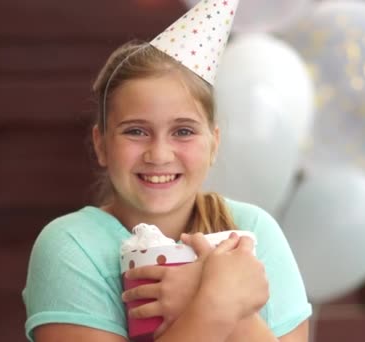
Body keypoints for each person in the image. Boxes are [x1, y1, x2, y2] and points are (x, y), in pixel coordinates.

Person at [22, 1, 312, 341]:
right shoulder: (72, 246)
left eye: (184, 131)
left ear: (214, 143)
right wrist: (215, 301)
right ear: (101, 144)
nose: (159, 154)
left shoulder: (252, 232)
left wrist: (217, 301)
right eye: (136, 131)